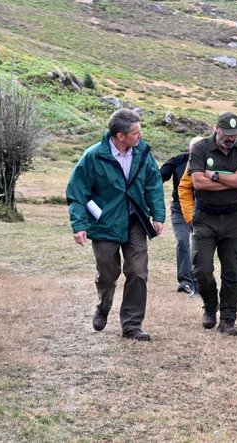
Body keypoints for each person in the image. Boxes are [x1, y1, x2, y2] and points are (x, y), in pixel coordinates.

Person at [66, 108, 165, 342]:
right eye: (135, 132)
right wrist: (79, 224)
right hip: (105, 224)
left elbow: (153, 183)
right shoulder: (93, 156)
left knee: (138, 273)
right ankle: (103, 306)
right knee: (108, 274)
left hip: (135, 221)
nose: (140, 136)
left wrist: (157, 214)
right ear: (120, 136)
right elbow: (77, 192)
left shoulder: (143, 152)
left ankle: (132, 325)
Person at [187, 112, 237, 336]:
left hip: (234, 220)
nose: (230, 139)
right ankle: (209, 306)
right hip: (205, 219)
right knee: (202, 269)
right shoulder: (200, 148)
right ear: (216, 128)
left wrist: (213, 175)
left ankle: (228, 318)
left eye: (234, 135)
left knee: (233, 271)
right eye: (226, 134)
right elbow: (197, 182)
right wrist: (230, 180)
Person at [160, 136, 202, 296]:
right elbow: (159, 176)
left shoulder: (210, 163)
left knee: (200, 245)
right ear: (189, 150)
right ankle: (185, 282)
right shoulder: (178, 161)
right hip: (179, 209)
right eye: (195, 150)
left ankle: (199, 280)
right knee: (183, 241)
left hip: (202, 209)